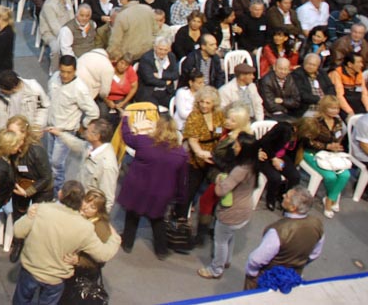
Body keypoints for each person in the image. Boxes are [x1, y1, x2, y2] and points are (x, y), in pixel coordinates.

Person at [12, 180, 120, 305]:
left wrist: (30, 216)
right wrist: (115, 240)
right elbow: (103, 255)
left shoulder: (41, 210)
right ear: (80, 201)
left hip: (30, 271)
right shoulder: (85, 228)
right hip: (55, 279)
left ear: (60, 194)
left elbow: (18, 231)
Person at [117, 113, 188, 257]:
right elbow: (182, 179)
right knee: (157, 219)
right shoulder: (180, 153)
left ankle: (127, 244)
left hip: (138, 187)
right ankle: (161, 251)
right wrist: (180, 198)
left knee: (132, 216)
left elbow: (127, 137)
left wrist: (125, 119)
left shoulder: (144, 141)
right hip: (161, 193)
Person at [198, 132, 259, 280]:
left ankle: (215, 269)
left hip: (231, 212)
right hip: (245, 211)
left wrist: (219, 179)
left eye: (237, 145)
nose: (234, 146)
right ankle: (226, 261)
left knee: (220, 241)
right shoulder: (254, 165)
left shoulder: (240, 170)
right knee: (229, 236)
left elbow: (221, 190)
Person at [243, 186, 325, 290]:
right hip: (293, 277)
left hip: (268, 279)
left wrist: (252, 273)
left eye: (287, 197)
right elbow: (314, 254)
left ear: (293, 208)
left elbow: (256, 260)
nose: (283, 195)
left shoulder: (278, 231)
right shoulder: (317, 224)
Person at [47, 55, 100, 192]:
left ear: (75, 71)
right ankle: (49, 188)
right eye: (62, 71)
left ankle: (57, 192)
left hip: (65, 131)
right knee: (49, 160)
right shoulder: (54, 79)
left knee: (57, 164)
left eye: (69, 72)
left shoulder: (79, 89)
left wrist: (83, 125)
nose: (65, 75)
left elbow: (94, 111)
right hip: (50, 127)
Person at [297, 96, 350, 218]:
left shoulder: (338, 122)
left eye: (337, 108)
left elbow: (339, 137)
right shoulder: (314, 122)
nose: (335, 111)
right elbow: (307, 141)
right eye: (332, 108)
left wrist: (336, 146)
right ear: (324, 108)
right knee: (330, 176)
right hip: (311, 153)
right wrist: (327, 146)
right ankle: (329, 203)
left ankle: (329, 198)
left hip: (330, 154)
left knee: (345, 174)